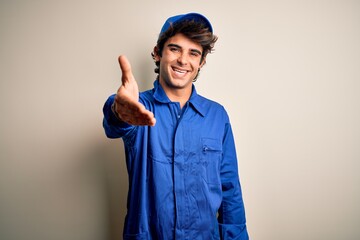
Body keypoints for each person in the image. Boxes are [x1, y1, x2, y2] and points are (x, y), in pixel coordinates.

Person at [103, 12, 249, 240]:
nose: (183, 60)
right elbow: (114, 123)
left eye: (193, 53)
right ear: (157, 53)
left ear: (201, 62)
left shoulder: (217, 116)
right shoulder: (138, 107)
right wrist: (118, 110)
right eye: (174, 49)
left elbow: (230, 191)